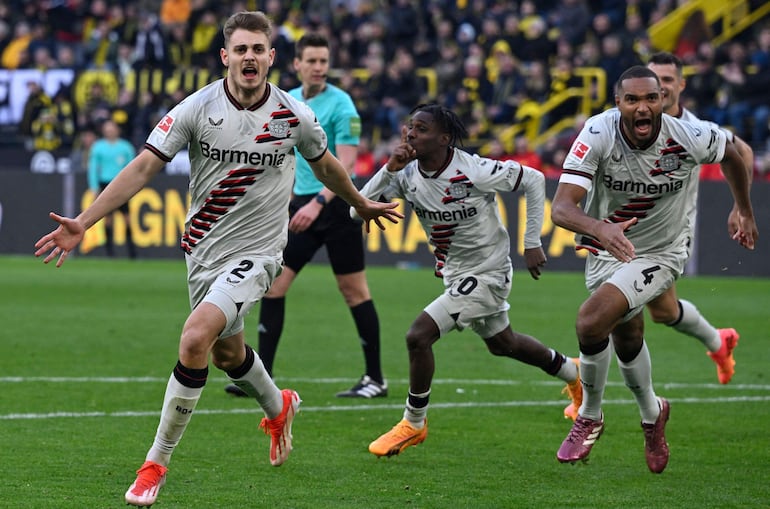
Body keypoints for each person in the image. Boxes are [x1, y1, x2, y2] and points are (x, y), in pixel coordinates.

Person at [34, 11, 401, 507]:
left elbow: (327, 164)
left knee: (194, 338)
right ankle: (278, 406)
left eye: (259, 49)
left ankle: (154, 463)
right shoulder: (196, 108)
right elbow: (144, 166)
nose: (250, 57)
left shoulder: (294, 115)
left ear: (272, 58)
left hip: (259, 254)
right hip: (204, 253)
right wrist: (85, 219)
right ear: (225, 56)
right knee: (229, 356)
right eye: (241, 49)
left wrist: (358, 202)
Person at [551, 65, 757, 473]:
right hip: (608, 246)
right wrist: (599, 229)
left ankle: (590, 414)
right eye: (632, 100)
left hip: (662, 253)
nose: (642, 107)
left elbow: (734, 153)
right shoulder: (598, 132)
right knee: (628, 334)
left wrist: (743, 209)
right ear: (618, 104)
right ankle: (653, 412)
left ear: (665, 99)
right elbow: (561, 207)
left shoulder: (691, 134)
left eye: (651, 98)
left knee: (591, 322)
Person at [358, 103, 582, 458]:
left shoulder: (473, 169)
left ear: (445, 139)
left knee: (418, 336)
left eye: (422, 128)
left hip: (489, 273)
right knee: (503, 343)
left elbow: (535, 180)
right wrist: (388, 169)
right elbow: (358, 210)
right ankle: (573, 373)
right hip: (457, 275)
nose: (411, 133)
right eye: (410, 127)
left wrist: (532, 242)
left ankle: (414, 422)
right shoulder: (404, 174)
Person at [224, 32, 387, 399]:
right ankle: (258, 377)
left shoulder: (343, 106)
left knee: (353, 290)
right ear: (296, 64)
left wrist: (318, 203)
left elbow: (346, 163)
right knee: (275, 286)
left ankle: (375, 378)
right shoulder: (286, 101)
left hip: (335, 208)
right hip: (298, 208)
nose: (318, 68)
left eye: (323, 61)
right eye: (311, 61)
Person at [645, 51, 755, 386]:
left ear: (681, 84)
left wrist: (740, 207)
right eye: (654, 80)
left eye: (667, 80)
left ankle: (589, 399)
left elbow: (744, 152)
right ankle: (718, 342)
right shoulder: (633, 119)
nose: (660, 87)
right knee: (663, 312)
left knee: (612, 308)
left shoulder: (694, 129)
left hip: (668, 237)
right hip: (631, 227)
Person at [88, 119, 137, 258]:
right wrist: (94, 187)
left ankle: (132, 253)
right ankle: (110, 253)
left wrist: (131, 186)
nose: (109, 131)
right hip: (105, 184)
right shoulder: (98, 147)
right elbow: (93, 168)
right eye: (107, 128)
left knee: (127, 218)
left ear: (117, 130)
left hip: (121, 185)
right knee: (107, 219)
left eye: (112, 128)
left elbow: (133, 168)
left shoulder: (125, 147)